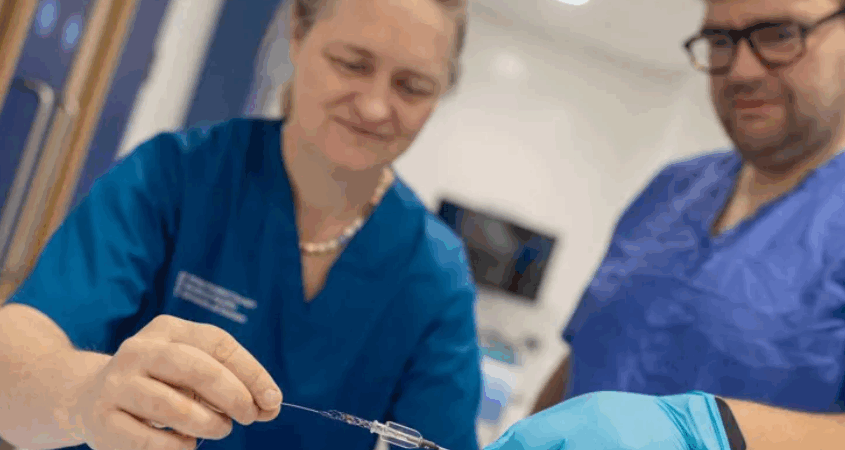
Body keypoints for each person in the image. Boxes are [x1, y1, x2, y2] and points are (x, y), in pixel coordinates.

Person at [0, 0, 482, 449]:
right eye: (351, 64)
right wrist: (85, 396)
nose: (375, 107)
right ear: (298, 34)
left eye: (413, 87)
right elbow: (15, 360)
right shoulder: (176, 178)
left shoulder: (434, 275)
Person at [489, 0, 845, 448]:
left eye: (778, 35)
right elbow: (585, 356)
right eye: (720, 41)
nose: (740, 71)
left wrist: (708, 432)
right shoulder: (670, 189)